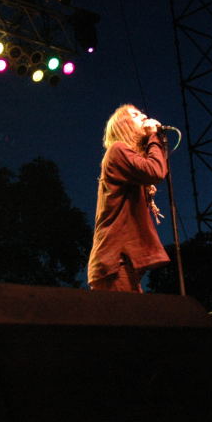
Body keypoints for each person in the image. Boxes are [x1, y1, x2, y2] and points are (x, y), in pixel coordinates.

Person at [87, 104, 170, 292]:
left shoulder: (126, 159)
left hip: (123, 261)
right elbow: (155, 171)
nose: (143, 116)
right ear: (123, 126)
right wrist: (153, 137)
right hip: (114, 261)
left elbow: (155, 168)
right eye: (135, 114)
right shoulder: (117, 150)